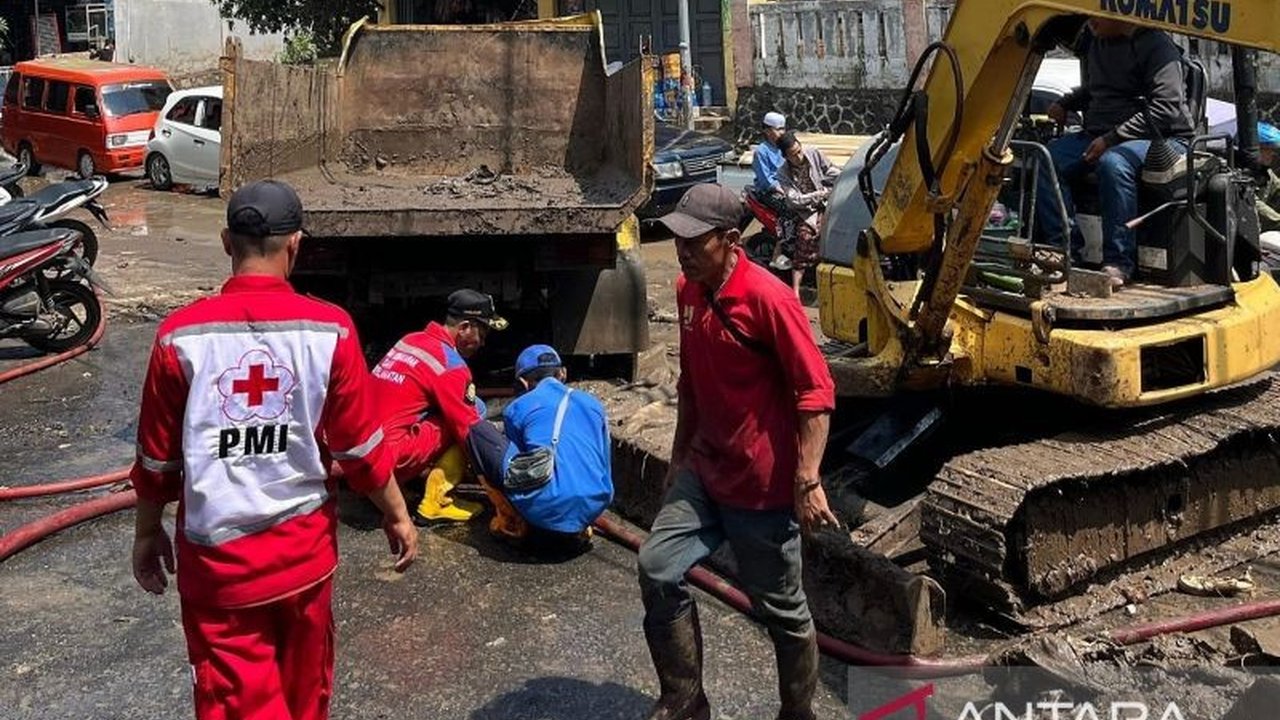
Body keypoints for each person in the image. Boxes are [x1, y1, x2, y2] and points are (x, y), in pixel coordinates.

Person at [129, 179, 418, 720]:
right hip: (304, 560)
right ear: (296, 245)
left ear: (225, 243)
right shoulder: (331, 330)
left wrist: (147, 532)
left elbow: (157, 459)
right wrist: (397, 514)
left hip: (220, 571)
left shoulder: (178, 336)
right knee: (306, 699)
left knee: (237, 706)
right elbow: (359, 448)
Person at [637, 183, 838, 720]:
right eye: (677, 240)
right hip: (704, 467)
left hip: (761, 485)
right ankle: (685, 699)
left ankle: (798, 712)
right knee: (657, 566)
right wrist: (679, 457)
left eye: (694, 241)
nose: (681, 251)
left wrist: (808, 478)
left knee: (784, 613)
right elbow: (691, 384)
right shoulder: (688, 290)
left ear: (730, 240)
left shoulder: (770, 299)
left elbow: (816, 391)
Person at [1035, 19, 1194, 288]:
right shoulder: (1096, 42)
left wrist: (1111, 139)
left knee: (1113, 163)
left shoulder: (1157, 46)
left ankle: (1119, 262)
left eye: (1097, 13)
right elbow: (1095, 90)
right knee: (1047, 157)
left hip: (1161, 138)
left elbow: (1166, 108)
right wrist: (1065, 103)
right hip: (1102, 135)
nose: (1090, 19)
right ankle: (1062, 251)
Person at [371, 289, 508, 525]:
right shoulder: (451, 366)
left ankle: (399, 484)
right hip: (388, 460)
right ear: (464, 327)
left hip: (362, 453)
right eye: (483, 333)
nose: (483, 343)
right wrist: (499, 492)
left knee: (468, 404)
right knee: (473, 414)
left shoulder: (409, 340)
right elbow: (468, 431)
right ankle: (437, 502)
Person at [464, 344, 613, 550]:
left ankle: (511, 520)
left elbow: (519, 468)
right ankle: (574, 524)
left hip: (542, 508)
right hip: (595, 504)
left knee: (476, 430)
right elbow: (604, 461)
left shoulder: (517, 408)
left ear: (523, 383)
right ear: (562, 374)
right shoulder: (594, 404)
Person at [776, 132, 840, 299]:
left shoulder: (814, 153)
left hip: (826, 203)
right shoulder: (783, 173)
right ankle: (796, 291)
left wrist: (845, 176)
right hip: (804, 211)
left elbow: (829, 169)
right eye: (793, 155)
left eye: (799, 151)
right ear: (786, 157)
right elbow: (794, 200)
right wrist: (818, 194)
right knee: (805, 239)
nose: (798, 156)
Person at [1254, 122, 1280, 247]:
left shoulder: (1266, 173)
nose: (1272, 153)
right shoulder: (1237, 174)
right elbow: (1253, 203)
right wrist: (1278, 219)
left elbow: (1278, 188)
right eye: (1268, 149)